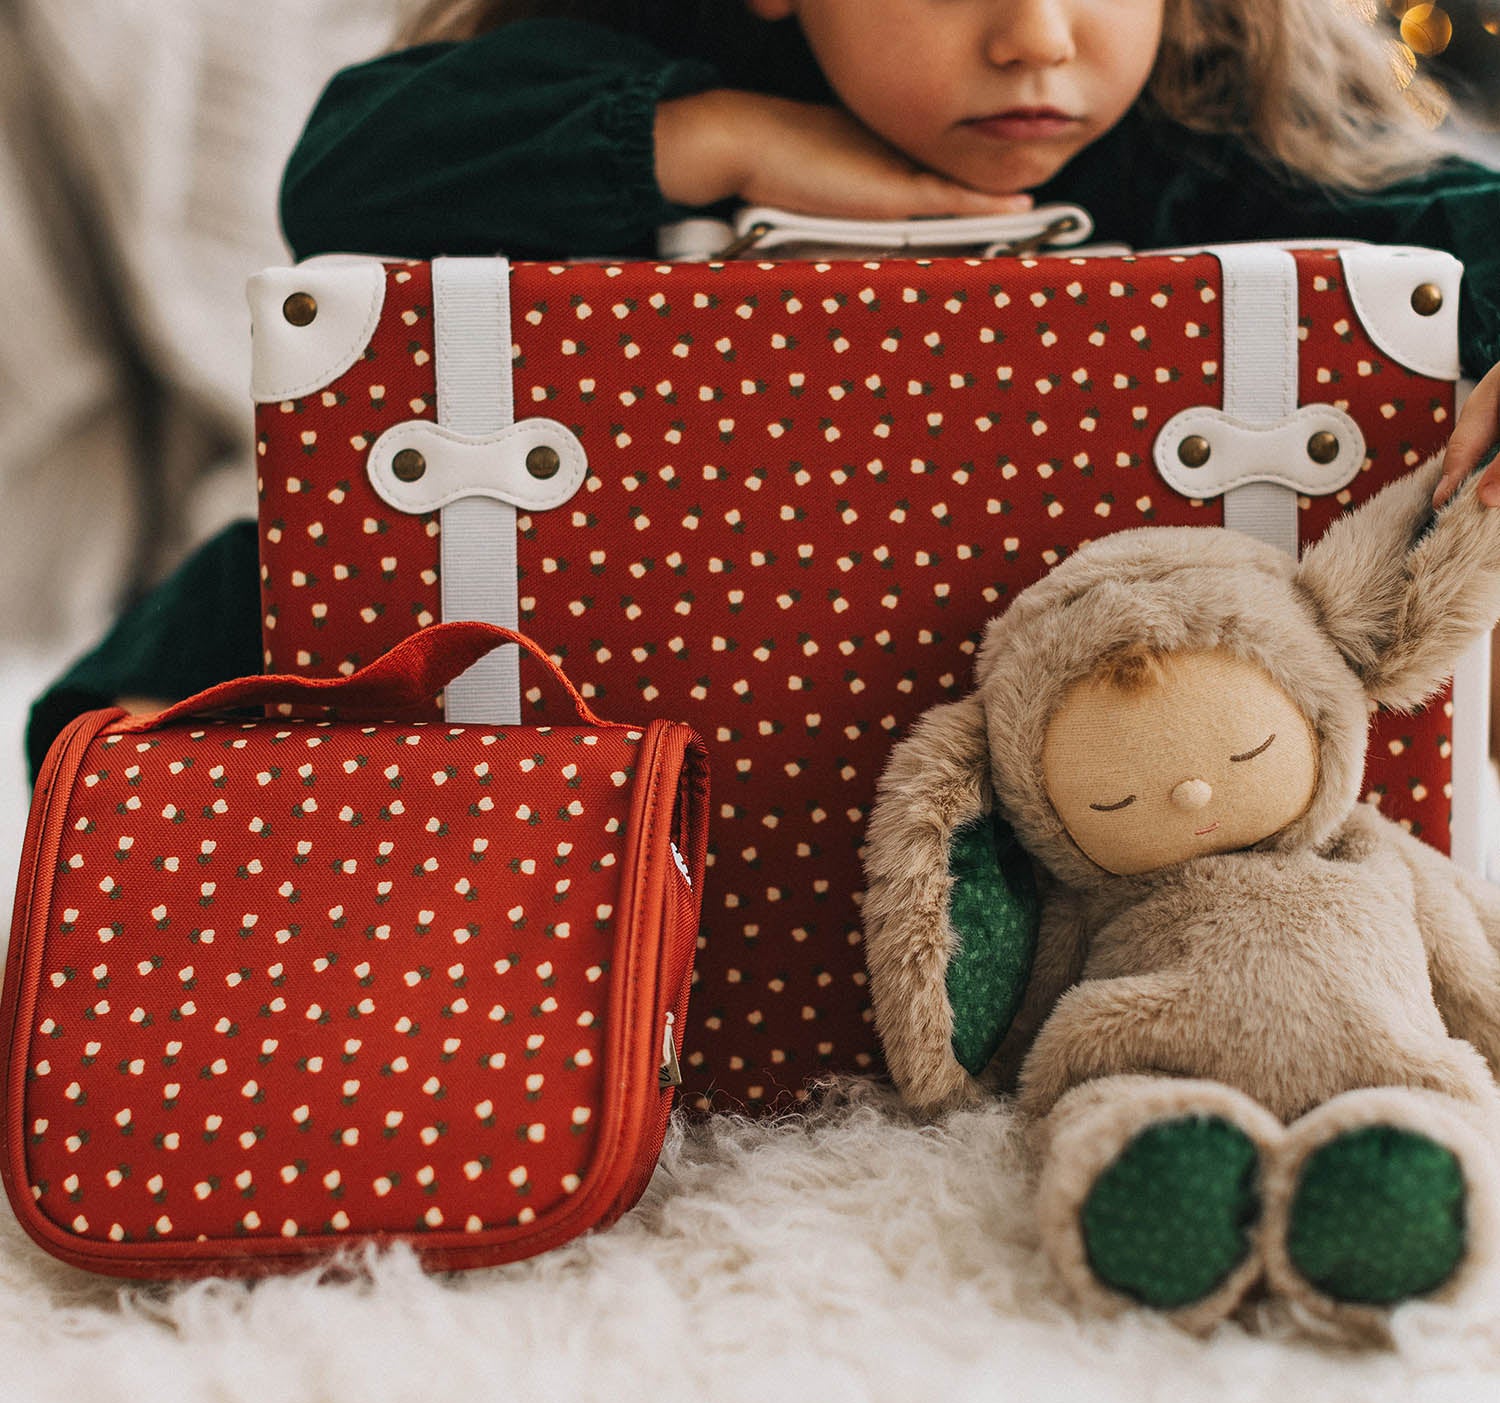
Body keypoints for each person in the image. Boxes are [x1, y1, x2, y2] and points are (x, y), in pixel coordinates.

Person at [26, 0, 1500, 780]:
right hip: (631, 692)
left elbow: (1468, 230)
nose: (1037, 34)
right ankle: (163, 846)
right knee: (280, 588)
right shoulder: (651, 64)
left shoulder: (1206, 151)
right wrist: (720, 142)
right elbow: (346, 174)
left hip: (1090, 770)